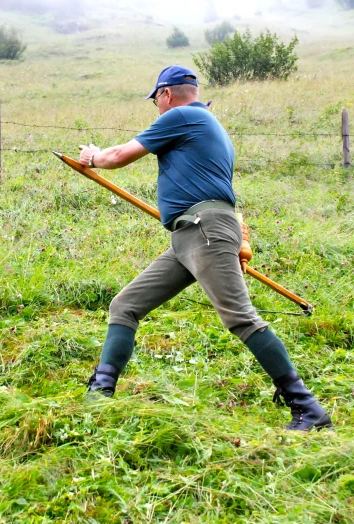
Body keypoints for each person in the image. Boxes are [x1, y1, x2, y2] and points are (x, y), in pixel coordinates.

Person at [78, 65, 332, 431]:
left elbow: (118, 156)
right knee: (125, 305)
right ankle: (99, 396)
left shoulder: (184, 116)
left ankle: (308, 407)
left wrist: (93, 156)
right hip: (188, 234)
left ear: (165, 94)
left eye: (156, 101)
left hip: (205, 230)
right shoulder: (208, 126)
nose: (157, 109)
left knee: (240, 317)